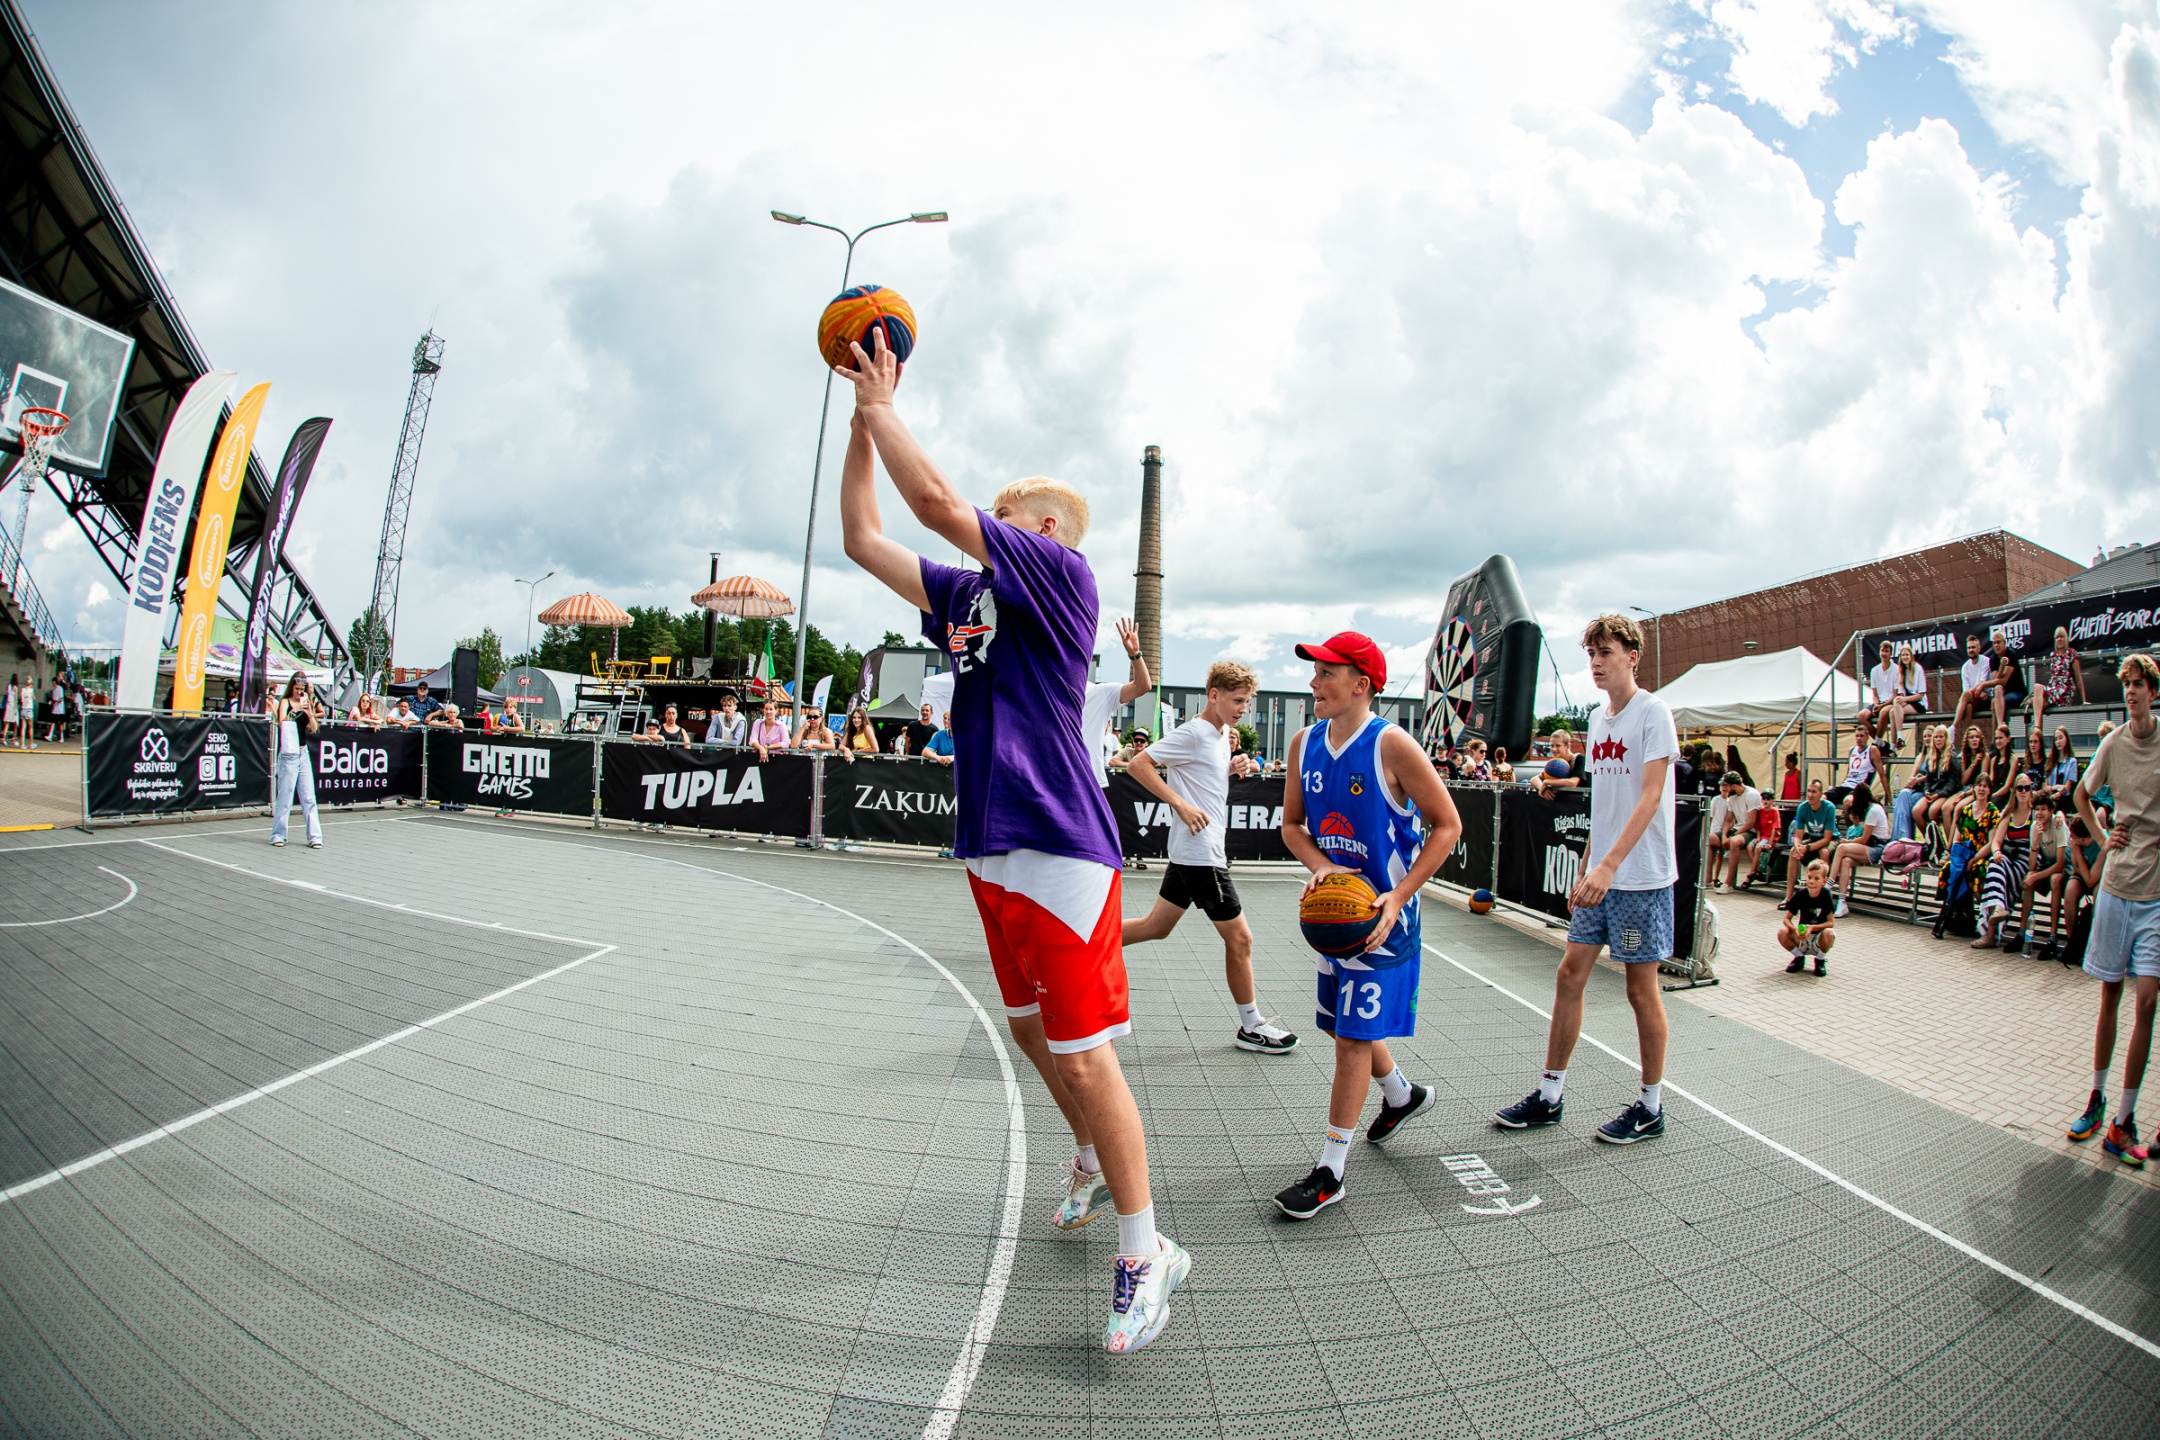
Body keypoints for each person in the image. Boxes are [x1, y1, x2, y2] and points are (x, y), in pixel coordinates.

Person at [835, 325, 1186, 1353]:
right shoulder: (967, 597)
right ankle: (1091, 1157)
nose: (986, 521)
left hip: (1059, 840)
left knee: (1086, 1054)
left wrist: (885, 408)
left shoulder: (1063, 577)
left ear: (1046, 530)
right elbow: (863, 538)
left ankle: (1147, 1252)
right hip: (990, 843)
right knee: (1033, 1033)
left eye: (1008, 512)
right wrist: (860, 426)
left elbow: (936, 505)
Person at [1274, 631, 1460, 1217]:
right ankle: (1401, 1095)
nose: (1314, 683)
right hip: (1340, 910)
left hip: (1383, 917)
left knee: (1353, 1039)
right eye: (1314, 672)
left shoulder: (1392, 745)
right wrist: (1322, 867)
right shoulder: (1304, 743)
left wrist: (1399, 896)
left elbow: (1448, 825)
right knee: (1344, 1027)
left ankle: (1331, 1171)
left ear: (1361, 684)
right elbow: (1292, 827)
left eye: (1326, 673)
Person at [1496, 613, 1678, 1145]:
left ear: (1631, 657)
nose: (1596, 663)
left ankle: (1651, 1106)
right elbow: (1606, 800)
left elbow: (1649, 797)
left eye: (1606, 653)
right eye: (1591, 654)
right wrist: (1588, 860)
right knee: (1569, 974)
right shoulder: (1598, 720)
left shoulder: (1654, 713)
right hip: (1603, 871)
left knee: (1640, 989)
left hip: (1641, 877)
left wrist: (1609, 865)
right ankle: (1550, 1095)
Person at [1121, 659, 1299, 1057]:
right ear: (1214, 695)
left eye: (1247, 702)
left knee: (1156, 927)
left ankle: (1077, 948)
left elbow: (1203, 777)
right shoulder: (1195, 733)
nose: (1243, 709)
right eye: (1238, 701)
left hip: (1195, 851)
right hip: (1201, 854)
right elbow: (1137, 764)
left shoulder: (1221, 735)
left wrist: (1233, 768)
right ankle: (1252, 1026)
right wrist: (1180, 804)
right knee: (1241, 939)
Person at [2067, 653, 2160, 1166]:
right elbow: (2081, 796)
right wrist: (2104, 838)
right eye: (2126, 685)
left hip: (2156, 895)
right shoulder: (2112, 743)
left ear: (2153, 692)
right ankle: (2098, 1099)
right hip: (2118, 887)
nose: (2131, 692)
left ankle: (2124, 1122)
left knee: (2147, 1002)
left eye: (2139, 684)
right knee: (2110, 998)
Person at [1082, 616, 1153, 786]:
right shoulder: (1044, 689)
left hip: (1087, 781)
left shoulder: (1100, 692)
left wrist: (1135, 654)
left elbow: (1142, 686)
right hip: (1046, 779)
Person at [1972, 772, 2037, 949]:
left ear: (2031, 790)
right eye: (2020, 788)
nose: (2023, 792)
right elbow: (1996, 842)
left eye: (2027, 788)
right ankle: (1998, 910)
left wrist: (2060, 814)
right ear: (2014, 791)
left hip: (2028, 858)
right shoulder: (2008, 813)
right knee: (1995, 865)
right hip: (2009, 854)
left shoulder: (2035, 813)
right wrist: (1997, 852)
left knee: (2000, 879)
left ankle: (1990, 933)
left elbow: (2053, 812)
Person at [267, 675, 323, 849]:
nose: (299, 692)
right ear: (292, 687)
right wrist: (295, 709)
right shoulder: (285, 702)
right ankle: (278, 834)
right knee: (285, 796)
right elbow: (281, 722)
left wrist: (309, 713)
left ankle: (315, 836)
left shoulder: (306, 702)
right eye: (297, 689)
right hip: (288, 753)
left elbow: (313, 728)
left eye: (302, 690)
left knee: (308, 796)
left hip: (302, 751)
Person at [2016, 793, 2069, 958]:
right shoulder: (2035, 827)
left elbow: (2060, 864)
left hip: (2068, 866)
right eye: (2037, 809)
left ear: (2051, 811)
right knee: (2029, 877)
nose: (2039, 813)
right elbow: (2032, 866)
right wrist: (2035, 842)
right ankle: (2021, 933)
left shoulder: (2058, 825)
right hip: (2049, 864)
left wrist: (2035, 876)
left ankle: (2052, 938)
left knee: (2055, 879)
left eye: (2043, 809)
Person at [1828, 782, 1888, 918]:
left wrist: (1847, 842)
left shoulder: (1873, 811)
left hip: (1876, 848)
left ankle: (1829, 885)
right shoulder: (1869, 809)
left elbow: (1864, 839)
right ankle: (1842, 901)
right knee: (1846, 861)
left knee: (1841, 848)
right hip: (1870, 845)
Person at [1784, 777, 1839, 902]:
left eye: (1814, 792)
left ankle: (1823, 896)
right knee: (1793, 852)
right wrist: (1798, 846)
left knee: (1824, 852)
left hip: (1831, 839)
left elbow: (1827, 839)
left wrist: (1807, 847)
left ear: (1820, 794)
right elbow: (1798, 835)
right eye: (1809, 791)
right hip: (1813, 838)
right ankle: (1788, 897)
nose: (1810, 795)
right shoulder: (1802, 807)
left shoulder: (1829, 808)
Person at [1779, 859, 1837, 976]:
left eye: (1816, 879)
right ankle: (1799, 958)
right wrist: (1795, 929)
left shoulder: (1826, 895)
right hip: (1802, 938)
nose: (1811, 882)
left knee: (1829, 933)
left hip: (1818, 938)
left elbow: (1831, 923)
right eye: (1809, 877)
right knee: (1782, 932)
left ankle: (1820, 960)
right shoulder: (1801, 894)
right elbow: (1786, 919)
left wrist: (1812, 928)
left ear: (1824, 881)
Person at [1709, 771, 1760, 893]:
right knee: (1709, 838)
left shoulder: (1752, 795)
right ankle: (1708, 878)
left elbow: (1751, 823)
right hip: (1737, 829)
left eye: (1726, 786)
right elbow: (1728, 820)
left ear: (1734, 786)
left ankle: (1728, 883)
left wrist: (1732, 836)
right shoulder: (1731, 798)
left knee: (1735, 842)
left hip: (1752, 831)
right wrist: (1724, 836)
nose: (1724, 789)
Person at [2033, 626, 2085, 735]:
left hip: (2065, 690)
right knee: (2037, 687)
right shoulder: (2053, 655)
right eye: (2057, 637)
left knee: (2037, 706)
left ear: (2066, 638)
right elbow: (2053, 677)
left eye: (2061, 637)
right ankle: (2037, 729)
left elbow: (2078, 678)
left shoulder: (2071, 653)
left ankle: (2037, 732)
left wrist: (2084, 700)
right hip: (2053, 688)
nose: (2059, 639)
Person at [1984, 631, 2027, 732]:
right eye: (1994, 643)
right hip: (2002, 693)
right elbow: (1996, 680)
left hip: (2017, 692)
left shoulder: (2011, 654)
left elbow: (2003, 681)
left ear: (2004, 642)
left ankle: (2002, 731)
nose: (1996, 645)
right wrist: (2001, 667)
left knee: (1999, 702)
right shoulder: (1993, 659)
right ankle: (1998, 733)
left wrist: (1983, 684)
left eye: (1998, 642)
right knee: (1996, 696)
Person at [2044, 726, 2079, 807]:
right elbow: (2045, 787)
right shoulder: (2050, 761)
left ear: (2066, 739)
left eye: (2061, 738)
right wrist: (2056, 787)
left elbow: (2066, 787)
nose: (2058, 742)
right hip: (2050, 799)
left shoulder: (2072, 761)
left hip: (2064, 801)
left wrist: (2055, 796)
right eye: (2056, 739)